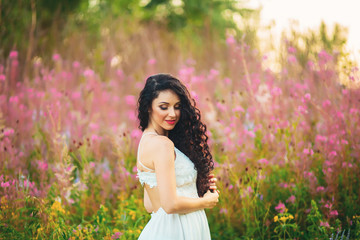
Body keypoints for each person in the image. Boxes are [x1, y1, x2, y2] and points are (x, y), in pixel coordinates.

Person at [136, 73, 219, 239]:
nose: (173, 114)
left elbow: (150, 205)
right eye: (164, 107)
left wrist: (196, 186)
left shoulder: (147, 141)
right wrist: (206, 201)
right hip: (177, 230)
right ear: (149, 107)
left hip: (167, 228)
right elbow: (170, 204)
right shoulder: (162, 145)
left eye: (177, 106)